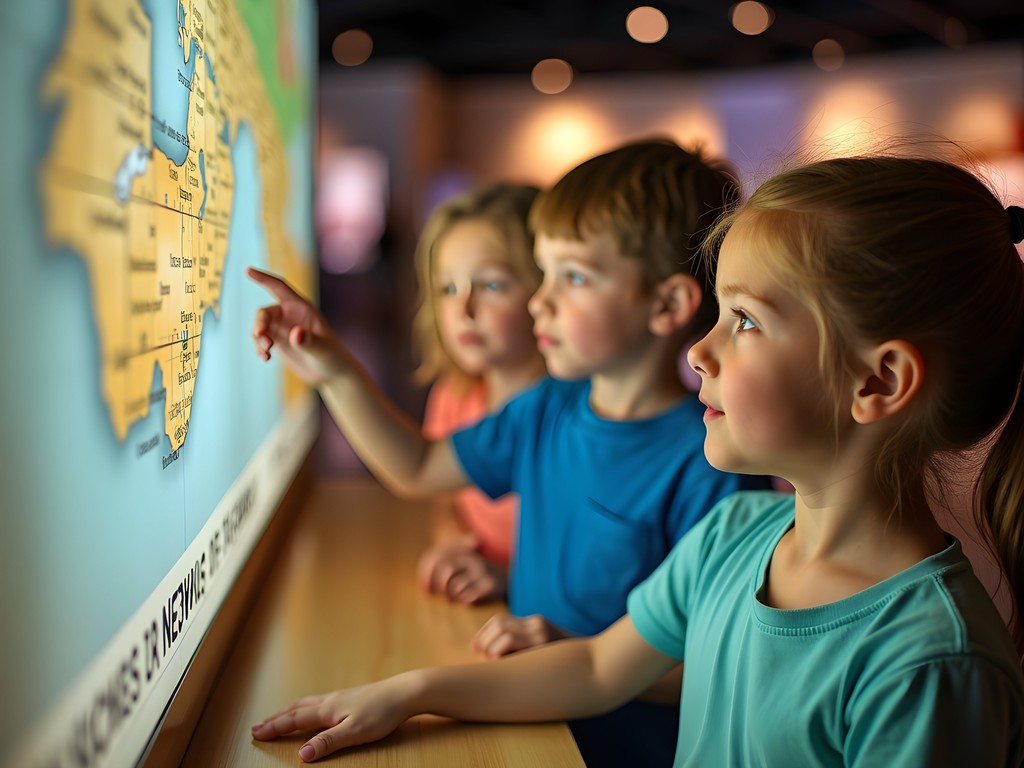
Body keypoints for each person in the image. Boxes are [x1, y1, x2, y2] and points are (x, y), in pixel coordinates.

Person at [251, 152, 1024, 766]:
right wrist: (411, 691)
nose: (702, 350)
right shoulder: (733, 540)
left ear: (879, 380)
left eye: (746, 322)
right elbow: (593, 669)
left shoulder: (932, 665)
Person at [248, 138, 767, 766]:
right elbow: (418, 468)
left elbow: (712, 666)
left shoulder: (712, 463)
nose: (538, 301)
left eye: (573, 277)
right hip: (523, 722)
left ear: (666, 305)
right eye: (542, 274)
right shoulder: (545, 409)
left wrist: (576, 643)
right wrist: (331, 369)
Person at [410, 182, 546, 606]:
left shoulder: (575, 415)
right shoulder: (454, 395)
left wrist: (508, 577)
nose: (462, 310)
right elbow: (446, 498)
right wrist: (453, 543)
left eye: (491, 285)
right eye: (448, 289)